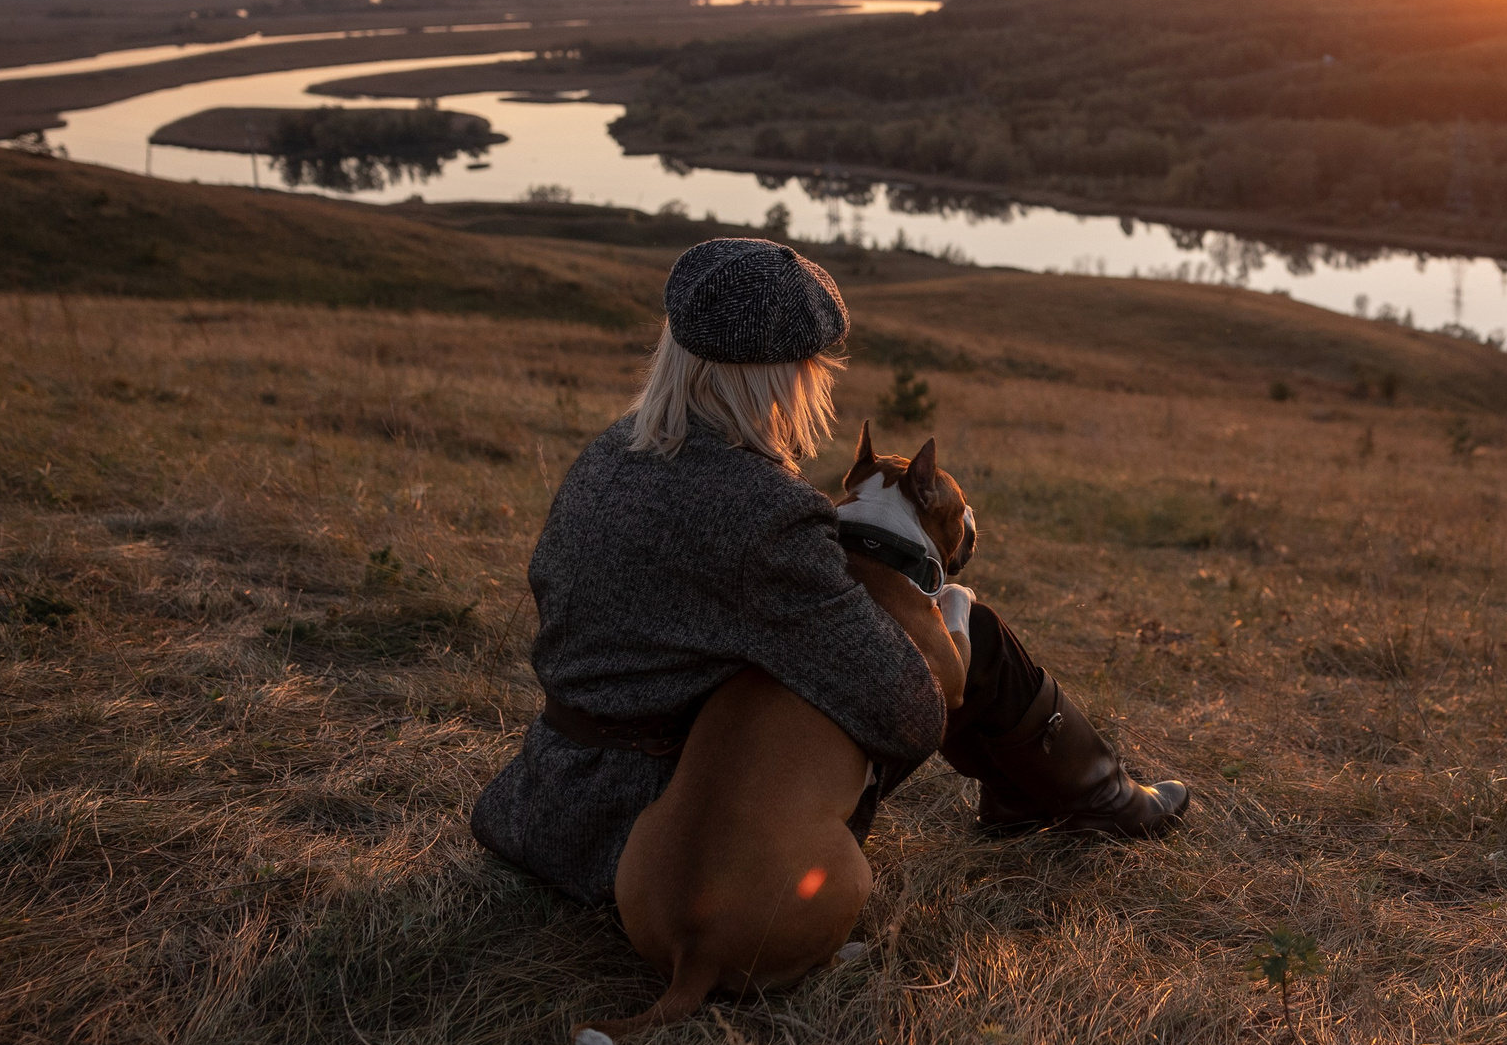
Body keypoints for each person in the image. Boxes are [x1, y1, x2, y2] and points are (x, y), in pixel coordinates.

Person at [471, 236, 1188, 925]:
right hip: (685, 841)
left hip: (550, 800)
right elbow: (907, 714)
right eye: (811, 370)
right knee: (972, 635)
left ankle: (1047, 797)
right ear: (782, 375)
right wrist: (934, 629)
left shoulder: (607, 456)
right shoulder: (764, 510)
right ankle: (1099, 798)